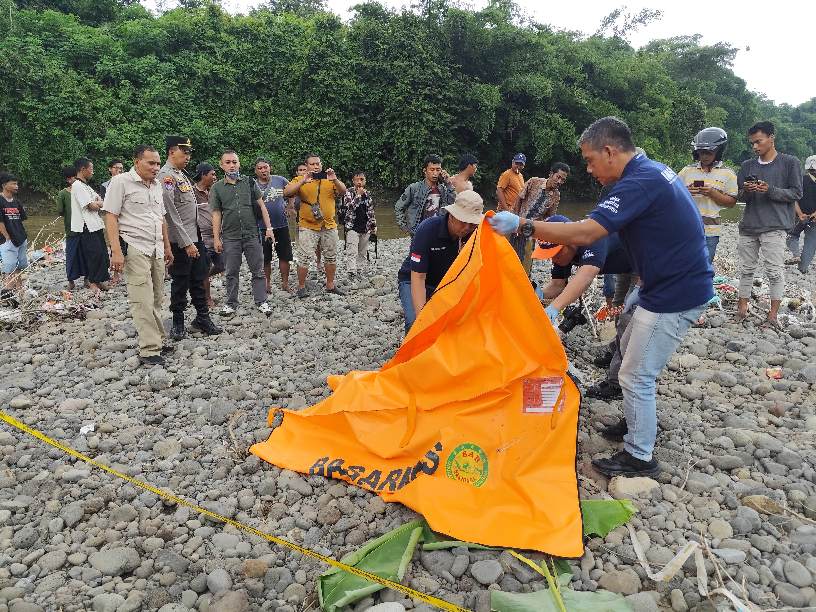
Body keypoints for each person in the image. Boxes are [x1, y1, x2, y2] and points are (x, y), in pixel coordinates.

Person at [489, 116, 713, 478]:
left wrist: (523, 225)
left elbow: (587, 232)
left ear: (610, 151)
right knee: (629, 358)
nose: (589, 169)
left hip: (675, 292)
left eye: (591, 160)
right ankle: (637, 422)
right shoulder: (648, 171)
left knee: (636, 374)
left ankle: (640, 457)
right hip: (658, 283)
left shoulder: (637, 182)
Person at [102, 145, 174, 367]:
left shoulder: (156, 185)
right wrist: (115, 251)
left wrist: (168, 246)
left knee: (157, 297)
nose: (156, 167)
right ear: (136, 162)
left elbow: (160, 218)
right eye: (151, 163)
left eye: (157, 163)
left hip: (157, 248)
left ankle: (159, 339)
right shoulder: (120, 182)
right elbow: (110, 216)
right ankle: (149, 349)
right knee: (141, 298)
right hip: (134, 246)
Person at [736, 121, 803, 326]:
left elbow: (796, 193)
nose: (755, 147)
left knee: (774, 271)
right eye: (752, 143)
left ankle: (772, 316)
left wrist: (770, 190)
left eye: (759, 141)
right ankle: (741, 309)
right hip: (749, 225)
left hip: (775, 225)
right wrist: (747, 190)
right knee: (746, 270)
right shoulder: (748, 165)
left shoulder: (789, 162)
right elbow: (740, 196)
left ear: (771, 137)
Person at [159, 136, 221, 339]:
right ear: (171, 152)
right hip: (181, 241)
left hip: (196, 237)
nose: (188, 156)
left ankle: (202, 317)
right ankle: (178, 321)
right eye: (184, 152)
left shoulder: (181, 174)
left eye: (189, 153)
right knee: (180, 280)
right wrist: (186, 243)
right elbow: (170, 213)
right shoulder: (167, 176)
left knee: (199, 276)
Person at [398, 190, 485, 333]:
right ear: (452, 215)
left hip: (444, 283)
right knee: (416, 323)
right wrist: (421, 318)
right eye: (463, 222)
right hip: (413, 279)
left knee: (455, 324)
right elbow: (418, 277)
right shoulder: (427, 229)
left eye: (472, 224)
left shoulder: (473, 234)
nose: (467, 228)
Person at [210, 150, 275, 315]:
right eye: (228, 162)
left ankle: (261, 301)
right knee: (231, 271)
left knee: (258, 270)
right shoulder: (217, 188)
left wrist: (269, 229)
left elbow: (262, 206)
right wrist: (216, 238)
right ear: (221, 165)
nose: (232, 165)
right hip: (230, 237)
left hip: (252, 234)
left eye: (234, 162)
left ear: (239, 163)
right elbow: (217, 214)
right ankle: (231, 303)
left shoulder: (249, 182)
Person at [537, 215, 633, 325]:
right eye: (551, 254)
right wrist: (536, 295)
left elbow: (586, 277)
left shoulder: (593, 238)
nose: (554, 259)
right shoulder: (564, 252)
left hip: (642, 263)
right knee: (618, 306)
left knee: (631, 312)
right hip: (620, 265)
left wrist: (554, 307)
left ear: (571, 242)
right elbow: (557, 285)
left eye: (557, 253)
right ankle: (618, 339)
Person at [283, 152, 347, 298]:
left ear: (321, 165)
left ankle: (330, 285)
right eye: (312, 164)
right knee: (304, 257)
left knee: (331, 257)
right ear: (306, 166)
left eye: (318, 163)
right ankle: (301, 286)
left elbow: (343, 192)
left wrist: (335, 179)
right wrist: (302, 181)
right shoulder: (300, 178)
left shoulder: (330, 179)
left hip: (329, 225)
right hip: (307, 225)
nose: (315, 166)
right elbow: (287, 192)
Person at [678, 127, 738, 263]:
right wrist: (685, 192)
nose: (704, 156)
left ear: (718, 151)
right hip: (686, 229)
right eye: (700, 152)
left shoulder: (728, 174)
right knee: (682, 267)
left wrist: (713, 193)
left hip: (711, 231)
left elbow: (731, 203)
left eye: (708, 152)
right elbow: (671, 196)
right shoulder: (686, 171)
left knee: (704, 268)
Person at [510, 162, 570, 269]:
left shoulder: (556, 196)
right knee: (509, 252)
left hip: (532, 230)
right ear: (551, 174)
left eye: (563, 180)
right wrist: (516, 218)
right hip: (516, 222)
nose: (559, 181)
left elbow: (550, 217)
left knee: (526, 259)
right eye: (558, 177)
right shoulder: (534, 182)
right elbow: (519, 199)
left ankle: (524, 280)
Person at [254, 158, 294, 292]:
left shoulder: (280, 180)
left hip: (282, 224)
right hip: (261, 227)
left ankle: (285, 283)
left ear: (270, 167)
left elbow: (292, 191)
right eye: (260, 168)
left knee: (285, 256)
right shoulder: (253, 185)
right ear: (256, 170)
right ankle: (267, 284)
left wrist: (290, 205)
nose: (263, 170)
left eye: (265, 167)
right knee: (265, 258)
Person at [71, 158, 111, 291]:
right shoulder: (77, 186)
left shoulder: (86, 186)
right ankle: (93, 282)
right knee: (94, 254)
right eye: (91, 169)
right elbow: (92, 205)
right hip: (86, 225)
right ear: (83, 169)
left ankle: (99, 280)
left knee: (103, 254)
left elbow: (100, 199)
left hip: (95, 224)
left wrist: (98, 202)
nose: (92, 172)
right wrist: (98, 203)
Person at [394, 154, 457, 235]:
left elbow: (454, 204)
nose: (435, 173)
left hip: (438, 231)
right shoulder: (414, 188)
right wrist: (404, 227)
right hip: (418, 232)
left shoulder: (444, 189)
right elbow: (399, 207)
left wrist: (448, 183)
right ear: (425, 171)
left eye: (438, 170)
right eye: (432, 169)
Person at [192, 162, 223, 308]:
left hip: (217, 236)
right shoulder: (192, 193)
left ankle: (199, 279)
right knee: (205, 267)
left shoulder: (214, 191)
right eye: (212, 174)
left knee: (223, 265)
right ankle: (207, 298)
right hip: (202, 238)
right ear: (203, 175)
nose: (215, 177)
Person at [55, 165, 86, 289]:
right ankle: (85, 280)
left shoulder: (62, 193)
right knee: (83, 254)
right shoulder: (83, 190)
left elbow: (60, 211)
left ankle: (71, 282)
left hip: (72, 230)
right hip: (82, 229)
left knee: (72, 255)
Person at [342, 171, 377, 280]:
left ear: (365, 181)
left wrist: (373, 225)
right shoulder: (348, 192)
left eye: (361, 179)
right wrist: (358, 196)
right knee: (352, 250)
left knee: (362, 251)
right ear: (353, 181)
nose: (359, 182)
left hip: (365, 227)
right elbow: (349, 208)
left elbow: (370, 211)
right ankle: (351, 271)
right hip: (352, 226)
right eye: (357, 180)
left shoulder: (368, 194)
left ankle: (360, 270)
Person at [785, 155, 816, 274]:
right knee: (811, 243)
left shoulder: (801, 180)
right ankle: (802, 268)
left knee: (791, 235)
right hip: (812, 219)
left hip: (799, 217)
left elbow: (794, 198)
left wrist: (800, 214)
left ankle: (796, 255)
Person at [0, 173, 28, 299]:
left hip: (21, 238)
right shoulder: (0, 201)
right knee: (10, 268)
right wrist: (7, 238)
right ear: (4, 185)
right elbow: (0, 223)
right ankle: (7, 295)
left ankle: (20, 292)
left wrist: (23, 236)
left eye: (17, 183)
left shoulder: (16, 202)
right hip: (7, 241)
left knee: (20, 267)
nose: (17, 186)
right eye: (13, 183)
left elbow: (21, 219)